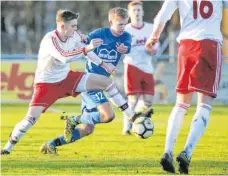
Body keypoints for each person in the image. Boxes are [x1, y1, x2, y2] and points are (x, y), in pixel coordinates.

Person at [1, 9, 137, 155]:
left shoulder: (74, 35)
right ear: (62, 27)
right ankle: (7, 148)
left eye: (76, 25)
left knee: (106, 82)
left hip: (67, 78)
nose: (76, 29)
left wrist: (104, 65)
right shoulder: (50, 40)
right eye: (73, 26)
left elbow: (87, 51)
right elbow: (64, 56)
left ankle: (131, 115)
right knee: (29, 121)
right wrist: (86, 47)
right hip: (46, 85)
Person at [39, 7, 148, 155]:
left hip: (103, 82)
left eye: (125, 24)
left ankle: (51, 144)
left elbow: (127, 47)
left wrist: (124, 49)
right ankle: (74, 119)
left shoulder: (126, 36)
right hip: (90, 83)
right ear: (111, 22)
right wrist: (82, 38)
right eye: (120, 24)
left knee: (87, 129)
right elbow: (82, 43)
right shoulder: (99, 34)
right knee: (108, 116)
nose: (123, 27)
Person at [145, 0, 227, 174]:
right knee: (204, 104)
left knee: (181, 104)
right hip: (209, 44)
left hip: (186, 46)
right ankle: (187, 152)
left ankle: (167, 151)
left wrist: (154, 37)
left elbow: (163, 15)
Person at [122, 1, 160, 135]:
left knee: (148, 102)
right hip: (132, 65)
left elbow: (156, 48)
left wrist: (152, 49)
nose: (137, 13)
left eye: (139, 10)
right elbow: (121, 49)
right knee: (133, 99)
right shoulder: (126, 30)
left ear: (143, 12)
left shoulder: (150, 28)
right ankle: (126, 127)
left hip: (147, 67)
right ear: (129, 14)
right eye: (134, 10)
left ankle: (137, 118)